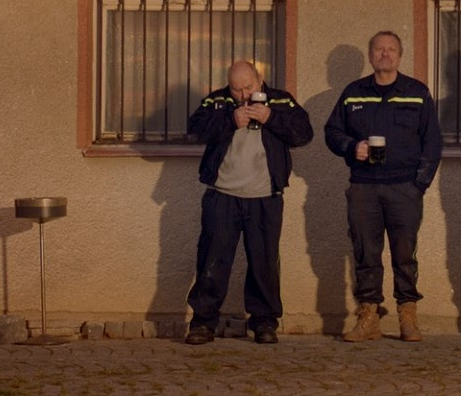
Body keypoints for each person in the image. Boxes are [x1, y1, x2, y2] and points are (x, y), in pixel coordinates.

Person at [324, 30, 442, 342]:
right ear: (371, 55)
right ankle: (369, 316)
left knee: (405, 254)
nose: (385, 54)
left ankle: (408, 315)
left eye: (391, 49)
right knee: (366, 252)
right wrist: (352, 147)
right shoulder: (354, 93)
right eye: (379, 49)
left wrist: (419, 184)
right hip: (364, 187)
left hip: (404, 188)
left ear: (400, 56)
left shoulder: (416, 92)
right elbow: (332, 132)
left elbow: (432, 142)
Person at [185, 60, 313, 345]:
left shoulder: (280, 100)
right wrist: (231, 121)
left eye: (248, 87)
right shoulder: (218, 101)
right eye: (236, 89)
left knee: (264, 263)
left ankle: (264, 322)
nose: (243, 95)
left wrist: (271, 117)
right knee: (212, 260)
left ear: (259, 78)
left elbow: (304, 133)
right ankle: (203, 323)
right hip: (223, 194)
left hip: (265, 196)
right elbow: (195, 130)